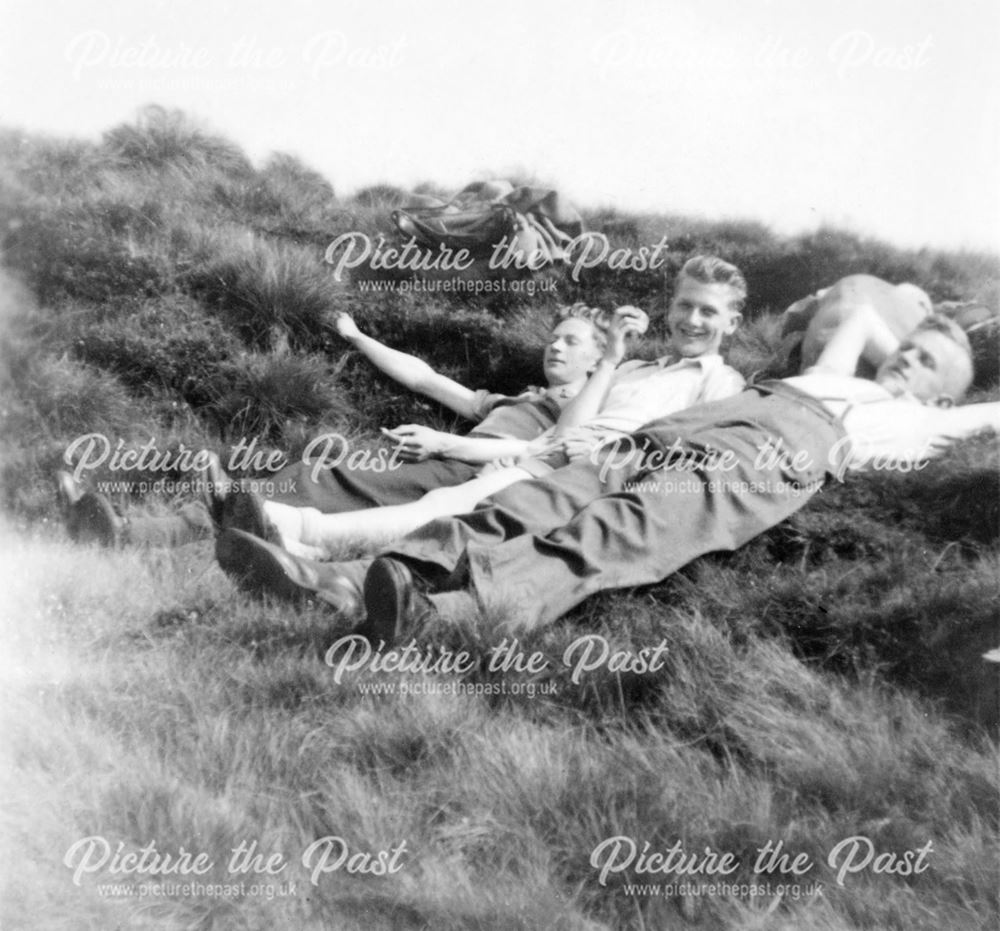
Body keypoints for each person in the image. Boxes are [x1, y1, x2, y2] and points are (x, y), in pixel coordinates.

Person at [216, 304, 998, 642]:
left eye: (926, 360)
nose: (904, 353)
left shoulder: (926, 423)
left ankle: (446, 615)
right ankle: (348, 578)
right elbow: (862, 321)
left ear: (944, 393)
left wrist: (954, 380)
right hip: (687, 429)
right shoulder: (841, 371)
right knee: (536, 497)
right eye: (910, 344)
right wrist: (927, 319)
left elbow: (981, 415)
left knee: (609, 534)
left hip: (768, 456)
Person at [263, 255, 748, 556]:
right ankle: (305, 545)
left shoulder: (722, 380)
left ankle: (299, 528)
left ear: (733, 322)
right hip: (548, 457)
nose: (692, 319)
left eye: (708, 311)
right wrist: (612, 362)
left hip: (593, 471)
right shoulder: (632, 370)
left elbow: (689, 449)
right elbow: (564, 432)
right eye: (685, 306)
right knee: (441, 505)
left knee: (447, 505)